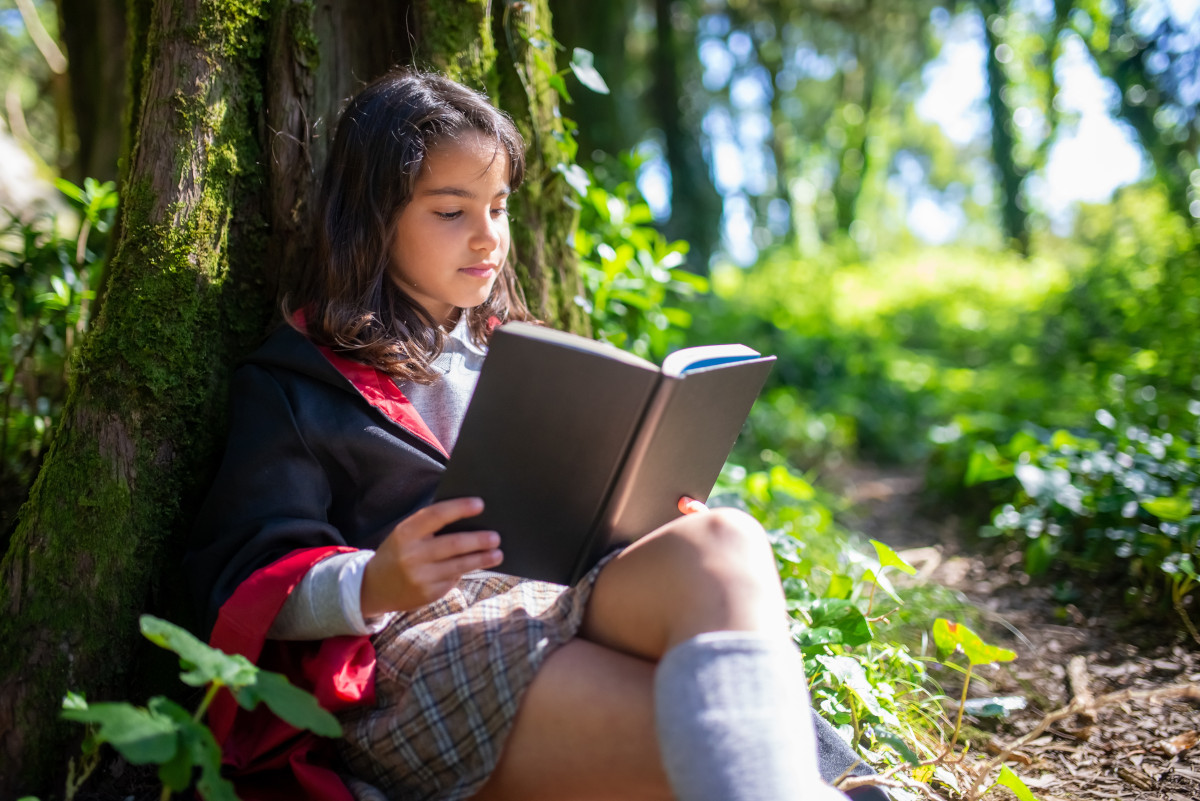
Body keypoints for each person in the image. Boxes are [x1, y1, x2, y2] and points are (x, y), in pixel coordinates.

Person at [187, 69, 881, 801]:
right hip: (413, 659)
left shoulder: (533, 355)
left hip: (557, 602)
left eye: (498, 206)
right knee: (708, 729)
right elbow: (238, 580)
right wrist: (373, 579)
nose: (488, 237)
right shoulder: (297, 381)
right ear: (372, 217)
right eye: (451, 211)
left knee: (724, 540)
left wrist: (645, 511)